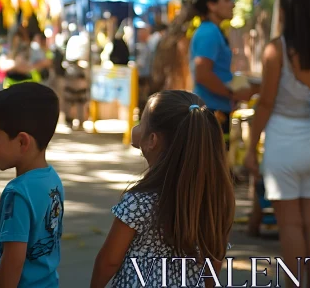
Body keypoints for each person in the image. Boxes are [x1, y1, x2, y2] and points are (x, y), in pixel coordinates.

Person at [243, 0, 310, 288]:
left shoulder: (277, 50)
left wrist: (250, 148)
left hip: (284, 146)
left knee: (290, 226)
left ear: (288, 9)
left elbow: (266, 104)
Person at [90, 91, 234, 287]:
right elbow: (214, 262)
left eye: (141, 122)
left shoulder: (138, 202)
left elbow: (109, 262)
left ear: (152, 140)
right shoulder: (214, 201)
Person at [0, 83, 64, 288]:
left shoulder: (17, 192)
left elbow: (13, 261)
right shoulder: (52, 180)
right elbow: (39, 232)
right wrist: (8, 222)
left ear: (22, 142)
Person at [190, 0, 255, 144]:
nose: (232, 4)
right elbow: (203, 74)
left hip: (215, 109)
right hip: (211, 110)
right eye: (226, 0)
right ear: (211, 5)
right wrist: (233, 93)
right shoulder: (210, 32)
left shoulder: (214, 31)